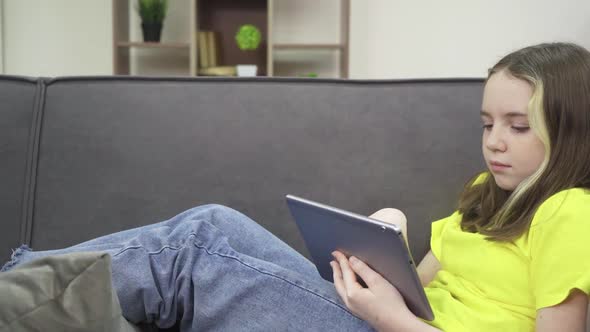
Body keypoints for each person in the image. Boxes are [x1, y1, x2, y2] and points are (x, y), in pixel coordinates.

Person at [3, 42, 590, 332]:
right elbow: (424, 292)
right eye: (487, 124)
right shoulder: (486, 196)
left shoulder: (570, 211)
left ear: (570, 133)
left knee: (199, 252)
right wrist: (385, 252)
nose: (495, 143)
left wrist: (393, 320)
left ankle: (15, 290)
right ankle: (20, 293)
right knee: (211, 222)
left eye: (518, 127)